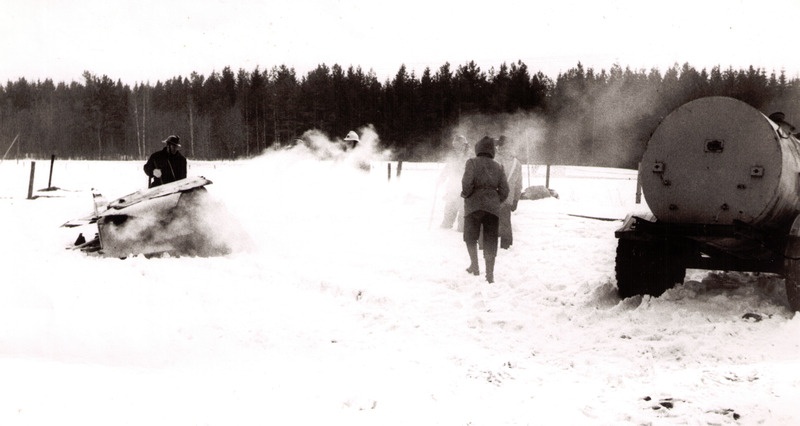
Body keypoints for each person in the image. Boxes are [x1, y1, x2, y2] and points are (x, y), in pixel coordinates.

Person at [462, 136, 510, 283]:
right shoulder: (498, 166)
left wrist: (467, 194)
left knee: (470, 237)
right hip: (492, 209)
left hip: (473, 207)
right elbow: (505, 189)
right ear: (492, 151)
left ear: (478, 149)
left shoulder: (471, 162)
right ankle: (490, 275)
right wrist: (496, 200)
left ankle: (474, 266)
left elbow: (466, 183)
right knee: (490, 240)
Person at [494, 135, 523, 249]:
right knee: (503, 221)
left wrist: (516, 199)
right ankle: (504, 244)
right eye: (501, 146)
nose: (503, 149)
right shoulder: (516, 162)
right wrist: (515, 199)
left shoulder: (494, 160)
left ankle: (504, 246)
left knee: (502, 221)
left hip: (498, 198)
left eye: (505, 146)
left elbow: (518, 184)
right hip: (503, 198)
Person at [437, 135, 470, 231]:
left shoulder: (469, 156)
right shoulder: (453, 156)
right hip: (452, 187)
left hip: (465, 188)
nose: (456, 147)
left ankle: (462, 228)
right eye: (455, 145)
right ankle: (446, 225)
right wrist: (440, 179)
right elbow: (447, 169)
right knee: (450, 207)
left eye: (458, 145)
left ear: (464, 145)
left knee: (463, 209)